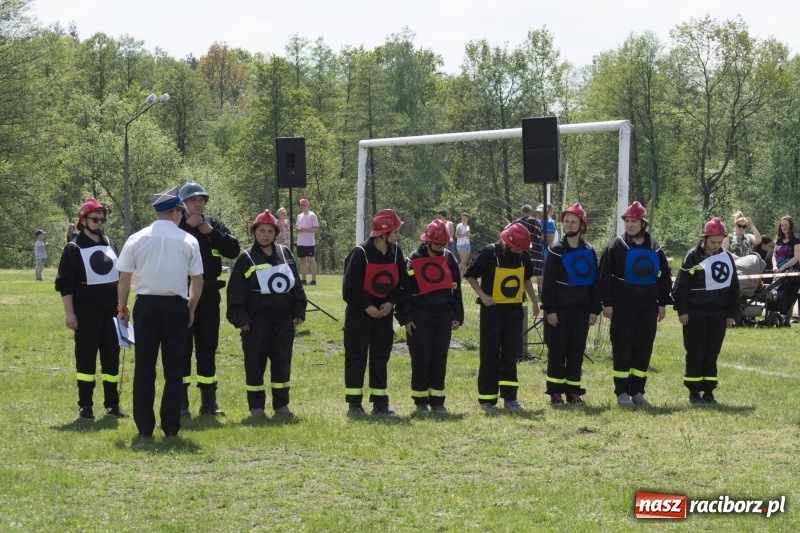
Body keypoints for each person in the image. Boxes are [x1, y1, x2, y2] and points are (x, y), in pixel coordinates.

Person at [116, 187, 203, 439]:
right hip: (175, 306)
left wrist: (122, 308)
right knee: (174, 368)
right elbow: (197, 281)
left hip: (146, 306)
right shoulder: (188, 240)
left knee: (145, 367)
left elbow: (124, 279)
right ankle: (171, 427)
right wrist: (190, 308)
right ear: (175, 213)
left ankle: (144, 427)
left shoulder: (136, 238)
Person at [227, 210, 307, 418]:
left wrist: (299, 308)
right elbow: (236, 290)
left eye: (270, 231)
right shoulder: (246, 258)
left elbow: (295, 284)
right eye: (262, 230)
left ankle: (281, 406)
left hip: (283, 320)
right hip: (256, 321)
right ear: (254, 232)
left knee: (282, 361)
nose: (266, 235)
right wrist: (240, 318)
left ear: (276, 233)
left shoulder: (285, 253)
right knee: (255, 363)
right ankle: (256, 408)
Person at [55, 198, 127, 420]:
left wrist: (123, 307)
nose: (99, 223)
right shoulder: (74, 248)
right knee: (86, 359)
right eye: (95, 219)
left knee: (111, 358)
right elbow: (65, 284)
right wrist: (69, 314)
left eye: (102, 219)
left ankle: (112, 404)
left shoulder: (110, 243)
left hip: (111, 312)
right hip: (86, 313)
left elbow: (122, 279)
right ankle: (85, 405)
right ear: (83, 221)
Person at [598, 201, 672, 407]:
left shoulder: (655, 247)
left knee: (643, 348)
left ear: (643, 223)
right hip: (623, 305)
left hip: (648, 306)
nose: (630, 225)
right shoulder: (616, 246)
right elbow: (604, 276)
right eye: (627, 221)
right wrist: (607, 303)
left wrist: (662, 303)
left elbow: (664, 277)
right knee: (622, 347)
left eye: (634, 221)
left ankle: (638, 391)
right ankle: (622, 392)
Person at [178, 181, 241, 417]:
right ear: (183, 203)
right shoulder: (176, 225)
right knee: (182, 347)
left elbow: (233, 250)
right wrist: (187, 228)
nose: (198, 204)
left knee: (207, 346)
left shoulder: (213, 224)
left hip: (210, 294)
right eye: (193, 200)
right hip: (182, 293)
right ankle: (180, 402)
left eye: (201, 200)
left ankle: (209, 401)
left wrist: (211, 232)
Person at [465, 222, 539, 411]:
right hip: (492, 310)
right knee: (489, 353)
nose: (521, 252)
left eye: (523, 250)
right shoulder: (489, 253)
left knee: (510, 353)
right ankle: (487, 399)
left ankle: (510, 398)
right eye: (518, 248)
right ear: (508, 243)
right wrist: (483, 296)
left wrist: (534, 301)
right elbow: (471, 275)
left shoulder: (523, 256)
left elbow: (526, 279)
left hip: (514, 311)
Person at [342, 209, 409, 415]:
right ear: (383, 234)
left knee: (381, 356)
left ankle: (380, 402)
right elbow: (349, 289)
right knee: (356, 356)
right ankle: (354, 404)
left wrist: (391, 302)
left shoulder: (396, 252)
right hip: (359, 314)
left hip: (383, 314)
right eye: (395, 232)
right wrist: (367, 306)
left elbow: (402, 283)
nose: (398, 236)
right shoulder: (360, 253)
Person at [398, 219, 464, 414]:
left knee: (439, 358)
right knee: (421, 357)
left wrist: (457, 315)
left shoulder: (449, 258)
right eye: (437, 244)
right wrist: (406, 317)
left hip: (443, 314)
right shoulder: (413, 259)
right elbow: (404, 290)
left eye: (444, 244)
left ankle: (437, 401)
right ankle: (420, 401)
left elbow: (456, 288)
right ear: (427, 241)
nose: (440, 248)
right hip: (420, 315)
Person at [672, 217, 739, 405]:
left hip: (718, 314)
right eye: (713, 242)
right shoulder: (692, 256)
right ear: (705, 239)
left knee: (712, 353)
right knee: (695, 351)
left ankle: (709, 392)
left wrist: (731, 313)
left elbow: (734, 287)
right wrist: (682, 310)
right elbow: (681, 286)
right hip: (695, 314)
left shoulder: (726, 258)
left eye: (719, 242)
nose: (716, 246)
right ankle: (694, 392)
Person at [541, 203, 600, 405]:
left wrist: (594, 310)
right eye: (566, 221)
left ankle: (574, 392)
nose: (569, 225)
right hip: (559, 311)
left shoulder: (589, 250)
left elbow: (594, 283)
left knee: (576, 352)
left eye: (573, 221)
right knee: (557, 352)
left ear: (582, 225)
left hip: (581, 310)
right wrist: (550, 310)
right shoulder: (555, 251)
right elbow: (548, 285)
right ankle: (555, 393)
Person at [771, 215, 800, 326]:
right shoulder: (779, 240)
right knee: (774, 293)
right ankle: (773, 318)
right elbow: (774, 255)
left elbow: (796, 258)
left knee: (790, 296)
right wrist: (775, 266)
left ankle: (787, 320)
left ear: (790, 226)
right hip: (778, 272)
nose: (784, 227)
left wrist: (782, 268)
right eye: (782, 225)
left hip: (792, 273)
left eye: (786, 225)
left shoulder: (796, 240)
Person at [295, 198, 319, 285]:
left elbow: (316, 229)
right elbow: (297, 228)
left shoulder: (312, 215)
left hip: (309, 242)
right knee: (302, 261)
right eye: (301, 205)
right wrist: (298, 230)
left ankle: (313, 280)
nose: (302, 206)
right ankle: (303, 280)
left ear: (308, 205)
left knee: (310, 260)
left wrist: (305, 229)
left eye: (304, 205)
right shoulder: (299, 216)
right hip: (300, 241)